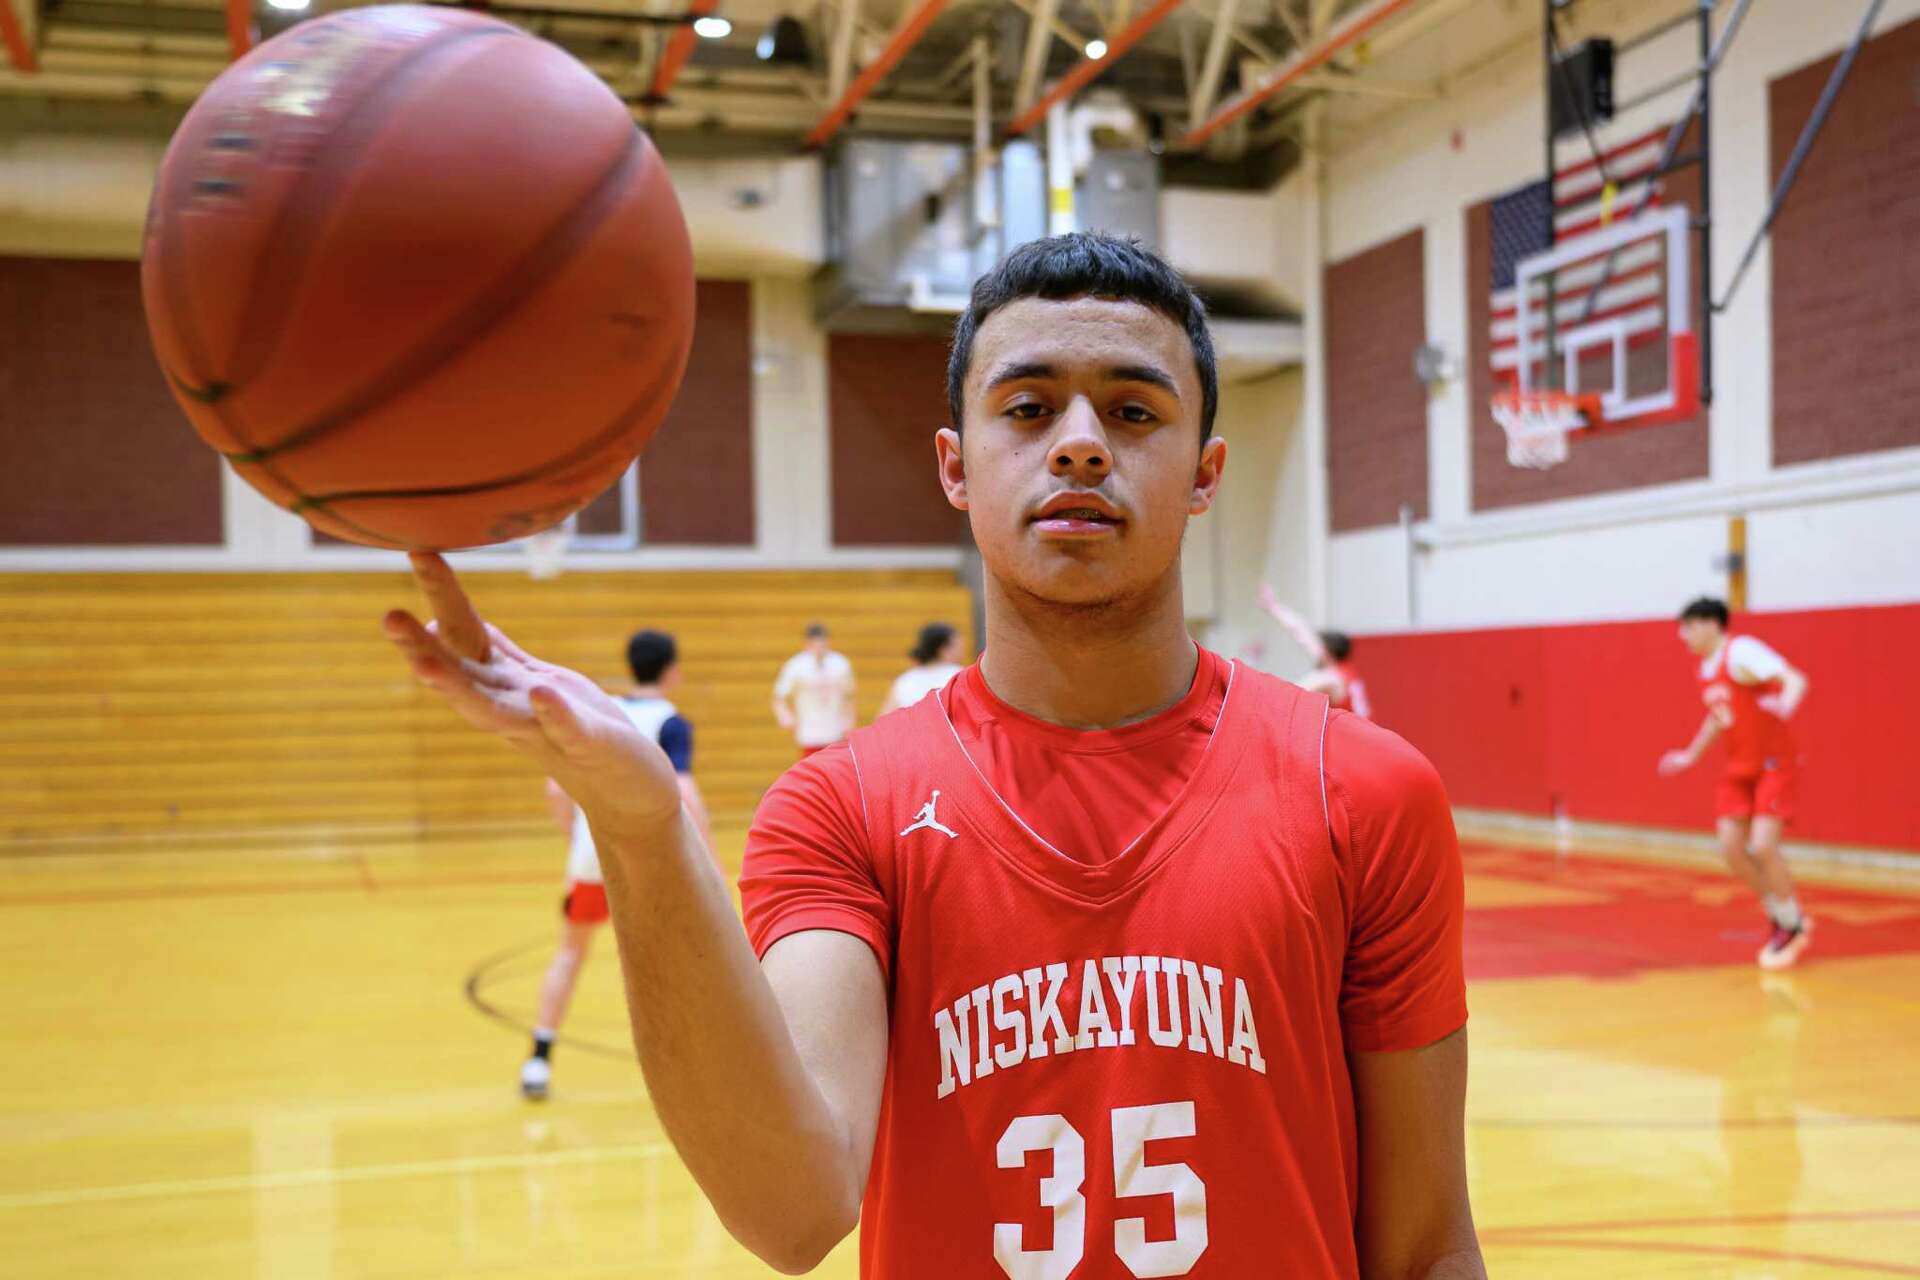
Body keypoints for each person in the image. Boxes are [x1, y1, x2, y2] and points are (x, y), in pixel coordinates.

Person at [382, 233, 1483, 1278]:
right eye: (1030, 406)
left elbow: (1427, 1245)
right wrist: (641, 829)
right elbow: (791, 1205)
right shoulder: (842, 808)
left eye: (1135, 409)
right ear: (956, 465)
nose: (1082, 440)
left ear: (1205, 470)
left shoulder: (1366, 792)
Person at [520, 629, 712, 1100]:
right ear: (671, 670)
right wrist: (706, 854)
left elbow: (554, 790)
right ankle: (683, 1075)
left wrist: (577, 838)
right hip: (649, 863)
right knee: (672, 967)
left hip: (591, 859)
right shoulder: (671, 723)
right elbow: (684, 790)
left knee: (570, 954)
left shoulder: (601, 711)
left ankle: (538, 1059)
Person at [1658, 597, 1812, 969]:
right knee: (1730, 848)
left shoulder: (1741, 652)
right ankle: (1782, 915)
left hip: (1774, 764)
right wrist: (1690, 754)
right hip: (1740, 768)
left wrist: (1787, 704)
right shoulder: (1705, 669)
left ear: (1712, 624)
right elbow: (1717, 718)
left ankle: (1791, 923)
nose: (1683, 636)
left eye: (1689, 626)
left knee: (1762, 845)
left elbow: (1794, 678)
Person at [1259, 584, 1371, 718]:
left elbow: (1291, 692)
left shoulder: (1331, 679)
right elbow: (1300, 631)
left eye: (1317, 644)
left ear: (1327, 652)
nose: (1311, 645)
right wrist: (1275, 607)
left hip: (1352, 737)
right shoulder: (1344, 671)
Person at [771, 622, 854, 759]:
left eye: (823, 644)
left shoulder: (840, 664)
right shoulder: (796, 666)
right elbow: (779, 697)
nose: (820, 649)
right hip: (809, 734)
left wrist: (849, 722)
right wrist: (786, 717)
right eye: (815, 645)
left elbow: (849, 695)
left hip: (835, 732)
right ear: (807, 644)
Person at [879, 622, 965, 714]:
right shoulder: (959, 675)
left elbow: (884, 720)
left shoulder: (905, 680)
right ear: (943, 650)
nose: (962, 651)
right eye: (958, 646)